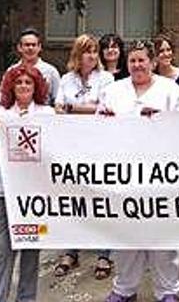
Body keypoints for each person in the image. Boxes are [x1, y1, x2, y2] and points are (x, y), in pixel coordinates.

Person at [101, 40, 179, 302]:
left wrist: (162, 119)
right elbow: (96, 128)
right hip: (123, 174)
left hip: (161, 174)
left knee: (162, 235)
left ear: (152, 62)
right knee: (126, 234)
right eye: (132, 60)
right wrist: (103, 120)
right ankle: (124, 289)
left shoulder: (170, 90)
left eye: (142, 60)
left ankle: (168, 291)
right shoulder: (114, 90)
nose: (137, 65)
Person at [0, 65, 55, 302]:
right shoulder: (1, 114)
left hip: (34, 195)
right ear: (11, 87)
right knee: (3, 250)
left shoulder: (47, 114)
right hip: (5, 192)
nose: (23, 86)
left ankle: (26, 298)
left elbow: (56, 152)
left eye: (28, 82)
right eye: (18, 83)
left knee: (31, 249)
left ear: (36, 87)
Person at [54, 34, 116, 279]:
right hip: (72, 147)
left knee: (101, 200)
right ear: (77, 56)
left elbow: (106, 109)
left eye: (94, 51)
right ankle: (71, 251)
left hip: (100, 147)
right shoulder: (66, 79)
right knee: (74, 200)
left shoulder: (107, 78)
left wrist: (73, 109)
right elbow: (58, 108)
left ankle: (104, 254)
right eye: (86, 51)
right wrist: (79, 110)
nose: (91, 56)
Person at [2, 27, 61, 105]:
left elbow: (58, 100)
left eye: (34, 45)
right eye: (27, 45)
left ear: (39, 47)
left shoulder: (51, 71)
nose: (30, 48)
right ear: (19, 48)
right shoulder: (11, 71)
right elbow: (3, 97)